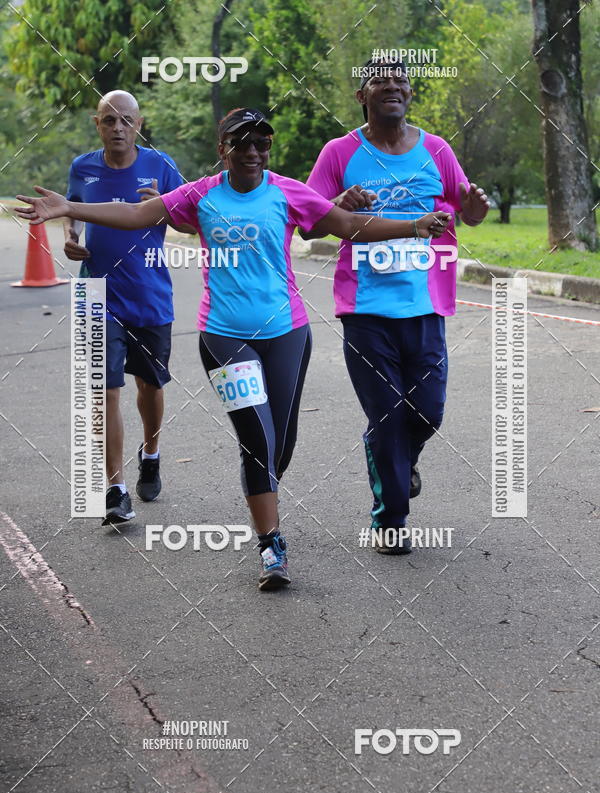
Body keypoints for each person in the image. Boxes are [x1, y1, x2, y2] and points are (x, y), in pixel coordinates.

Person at [16, 107, 450, 589]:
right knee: (257, 441)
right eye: (241, 143)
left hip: (287, 335)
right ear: (223, 149)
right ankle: (272, 547)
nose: (252, 152)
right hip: (224, 337)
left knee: (280, 446)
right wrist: (70, 208)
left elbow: (348, 224)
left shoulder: (287, 191)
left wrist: (414, 225)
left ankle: (262, 493)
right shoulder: (201, 194)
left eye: (261, 143)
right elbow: (139, 213)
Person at [301, 58, 491, 554]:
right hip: (364, 309)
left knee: (427, 414)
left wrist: (474, 208)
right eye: (378, 81)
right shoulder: (339, 152)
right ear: (362, 96)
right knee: (386, 416)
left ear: (410, 94)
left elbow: (465, 209)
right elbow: (308, 222)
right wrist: (339, 202)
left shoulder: (437, 150)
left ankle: (398, 458)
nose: (391, 86)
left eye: (400, 81)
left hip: (426, 304)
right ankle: (391, 519)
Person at [62, 90, 188, 525]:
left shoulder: (161, 165)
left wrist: (165, 208)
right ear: (97, 124)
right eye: (109, 120)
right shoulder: (83, 168)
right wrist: (73, 239)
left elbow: (192, 219)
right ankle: (115, 488)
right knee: (104, 390)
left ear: (139, 125)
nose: (118, 128)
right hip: (96, 293)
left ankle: (150, 453)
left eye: (126, 121)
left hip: (149, 292)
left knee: (149, 386)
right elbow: (72, 212)